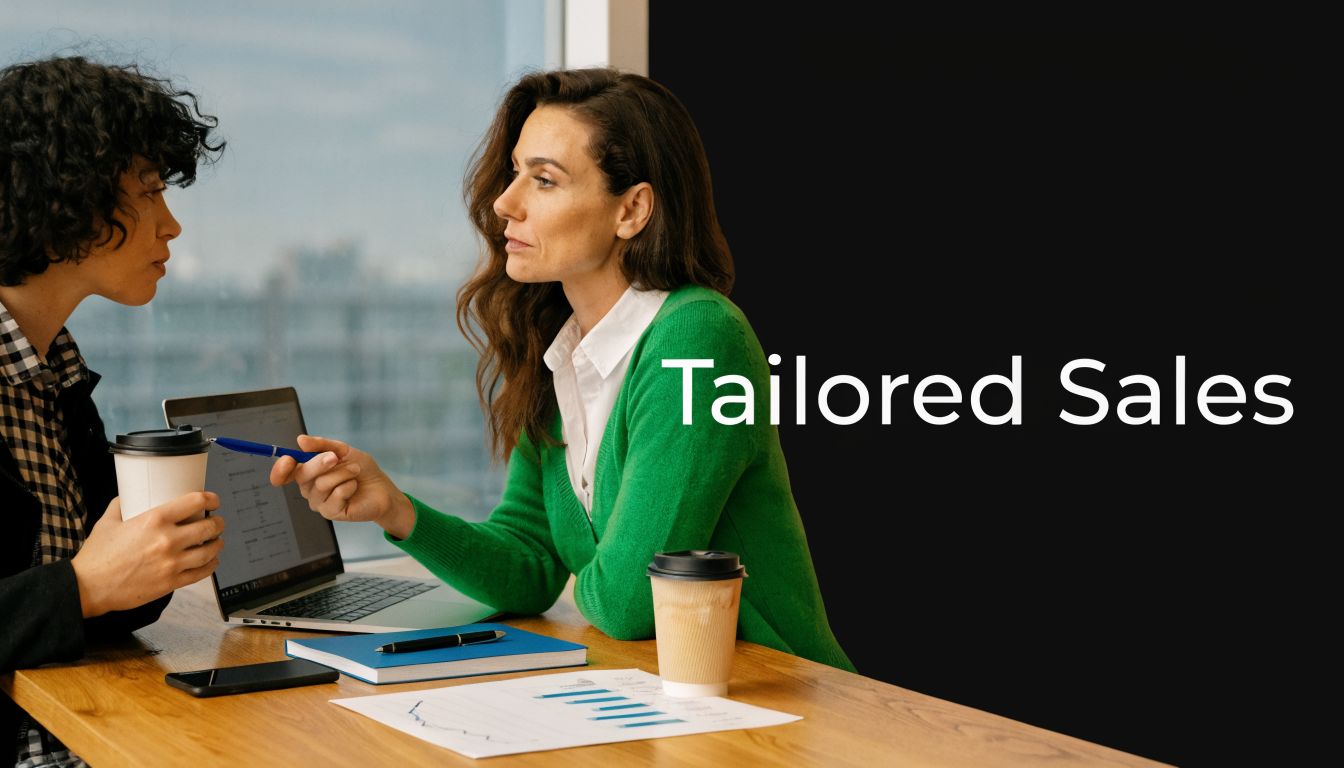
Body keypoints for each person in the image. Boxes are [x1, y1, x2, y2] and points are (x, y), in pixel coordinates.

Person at [272, 67, 854, 673]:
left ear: (631, 210)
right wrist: (396, 509)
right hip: (673, 699)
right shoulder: (561, 354)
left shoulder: (697, 337)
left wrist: (593, 578)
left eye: (544, 180)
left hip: (781, 699)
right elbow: (527, 566)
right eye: (515, 172)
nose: (505, 203)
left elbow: (630, 603)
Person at [0, 56, 226, 767]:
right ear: (68, 196)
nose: (172, 226)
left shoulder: (54, 377)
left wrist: (161, 553)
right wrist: (85, 586)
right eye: (152, 193)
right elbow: (80, 591)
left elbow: (99, 604)